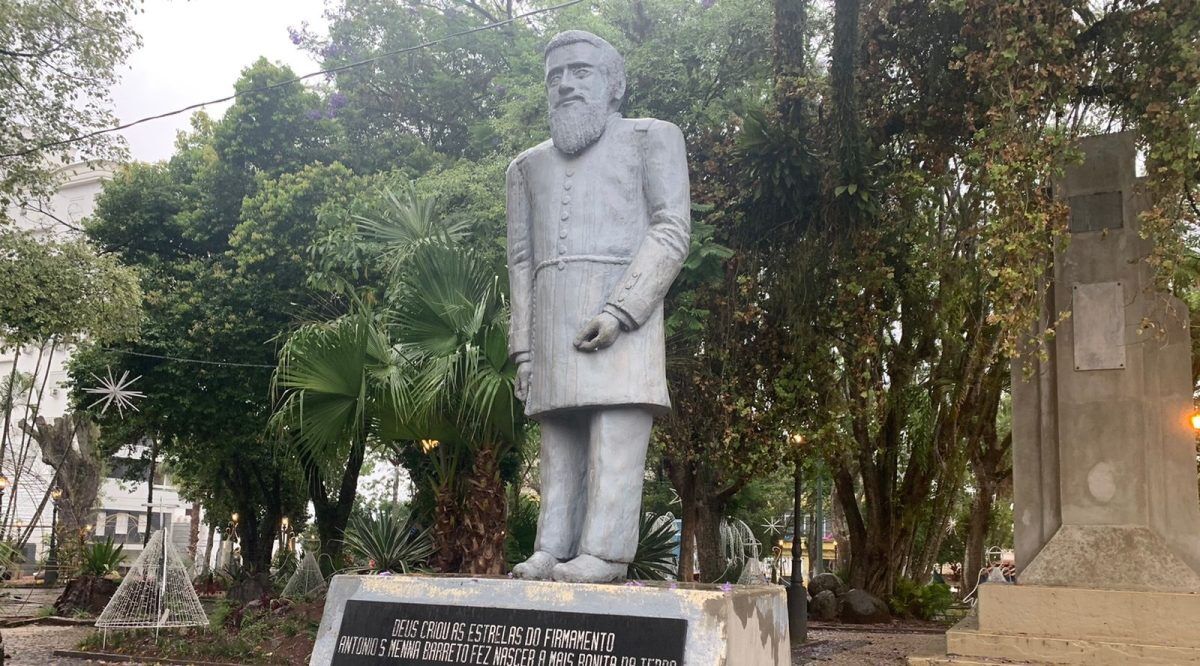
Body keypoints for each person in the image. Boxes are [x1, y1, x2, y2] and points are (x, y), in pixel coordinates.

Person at [505, 30, 691, 583]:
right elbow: (520, 262)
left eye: (580, 72)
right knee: (558, 443)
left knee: (615, 435)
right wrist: (523, 351)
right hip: (551, 322)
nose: (564, 85)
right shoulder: (525, 167)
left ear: (615, 85)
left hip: (624, 320)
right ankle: (551, 547)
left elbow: (672, 229)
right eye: (554, 77)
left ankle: (607, 552)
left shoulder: (651, 137)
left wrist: (621, 310)